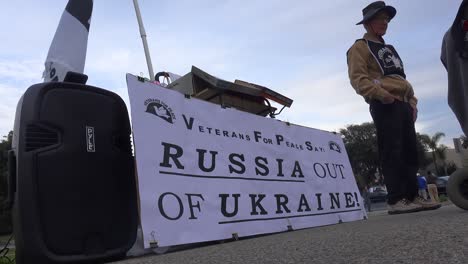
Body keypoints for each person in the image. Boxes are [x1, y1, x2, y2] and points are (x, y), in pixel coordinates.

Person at [346, 1, 441, 214]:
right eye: (380, 18)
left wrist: (412, 102)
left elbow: (401, 79)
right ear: (368, 23)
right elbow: (358, 79)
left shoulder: (389, 50)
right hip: (385, 102)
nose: (384, 22)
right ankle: (396, 199)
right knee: (392, 151)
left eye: (386, 19)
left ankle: (413, 196)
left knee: (410, 152)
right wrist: (382, 96)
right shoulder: (359, 48)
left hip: (404, 104)